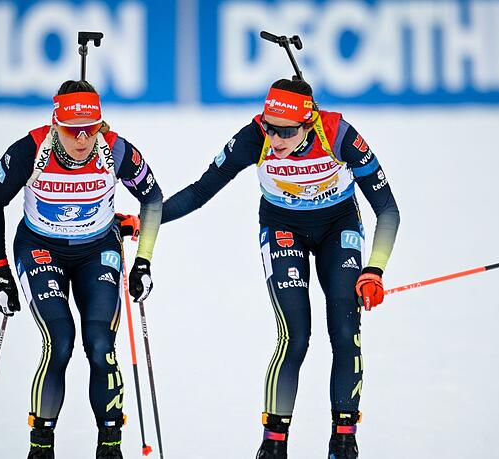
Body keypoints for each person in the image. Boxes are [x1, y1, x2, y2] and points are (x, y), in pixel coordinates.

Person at [161, 78, 400, 458]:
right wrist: (148, 220)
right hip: (282, 228)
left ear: (310, 123)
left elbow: (387, 209)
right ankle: (273, 444)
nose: (276, 139)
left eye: (287, 131)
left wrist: (375, 269)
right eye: (271, 127)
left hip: (338, 228)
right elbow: (200, 191)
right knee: (295, 335)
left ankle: (343, 438)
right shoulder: (253, 138)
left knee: (344, 330)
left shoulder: (339, 134)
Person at [0, 80, 162, 458]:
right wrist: (0, 269)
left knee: (100, 345)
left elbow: (153, 198)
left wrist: (143, 259)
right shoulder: (31, 150)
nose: (81, 139)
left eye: (90, 129)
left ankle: (110, 447)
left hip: (97, 250)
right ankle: (41, 448)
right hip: (40, 249)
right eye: (71, 130)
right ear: (54, 124)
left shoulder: (115, 150)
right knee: (59, 342)